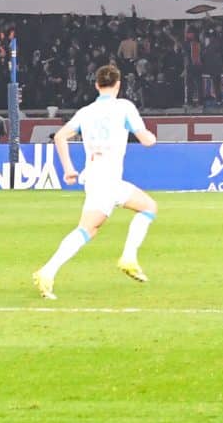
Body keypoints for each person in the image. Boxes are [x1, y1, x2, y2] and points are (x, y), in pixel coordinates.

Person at [36, 64, 158, 298]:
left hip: (96, 175)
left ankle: (129, 258)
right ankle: (48, 271)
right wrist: (151, 137)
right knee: (87, 229)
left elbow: (60, 136)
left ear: (96, 85)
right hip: (107, 179)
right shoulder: (124, 107)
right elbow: (145, 140)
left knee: (147, 207)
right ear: (118, 85)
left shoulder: (86, 111)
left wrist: (69, 169)